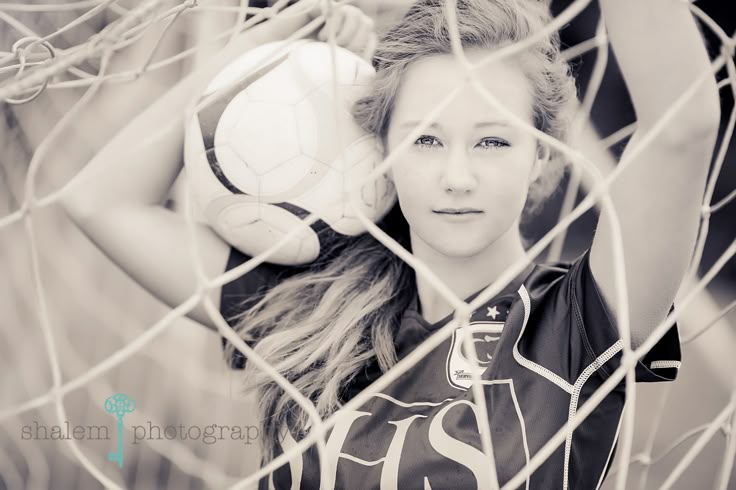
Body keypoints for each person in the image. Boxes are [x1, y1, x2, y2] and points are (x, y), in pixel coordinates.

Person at [61, 0, 720, 488]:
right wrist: (268, 44)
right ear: (380, 161)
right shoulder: (317, 310)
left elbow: (683, 126)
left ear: (543, 162)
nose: (456, 177)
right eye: (425, 139)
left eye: (491, 141)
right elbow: (98, 200)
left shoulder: (576, 326)